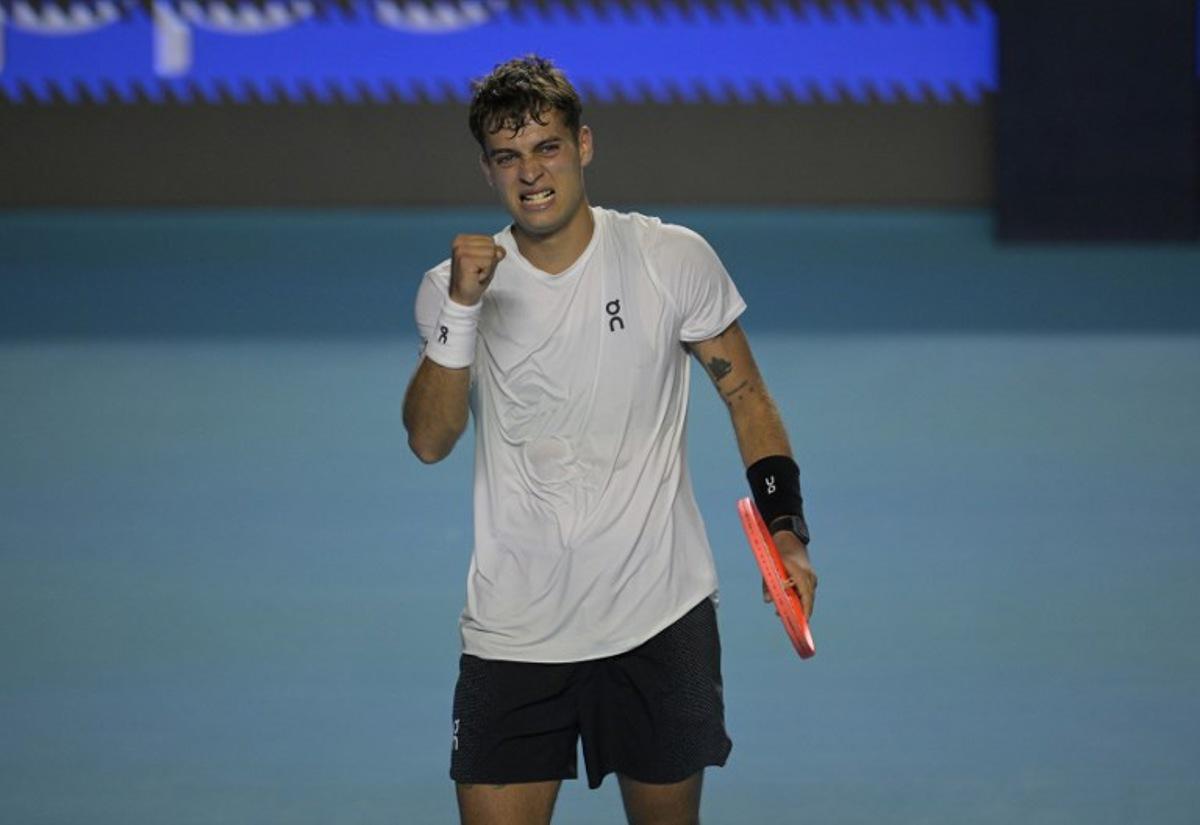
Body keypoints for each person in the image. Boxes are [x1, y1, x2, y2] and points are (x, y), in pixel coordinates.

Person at [402, 54, 817, 825]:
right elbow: (430, 439)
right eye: (508, 157)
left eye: (547, 147)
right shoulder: (452, 286)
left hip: (660, 618)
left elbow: (747, 394)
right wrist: (461, 309)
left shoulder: (669, 259)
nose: (531, 172)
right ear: (488, 171)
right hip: (514, 629)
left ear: (583, 145)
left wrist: (785, 532)